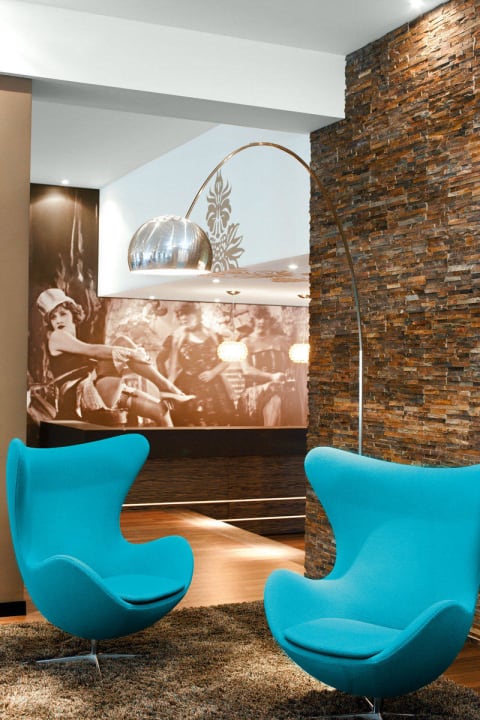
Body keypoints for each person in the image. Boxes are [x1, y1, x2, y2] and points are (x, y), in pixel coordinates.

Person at [35, 288, 192, 426]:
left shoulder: (74, 341)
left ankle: (172, 447)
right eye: (53, 317)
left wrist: (130, 358)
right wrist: (131, 353)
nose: (58, 320)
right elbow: (93, 350)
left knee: (160, 411)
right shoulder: (57, 336)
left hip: (101, 390)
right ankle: (166, 387)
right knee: (122, 342)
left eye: (63, 313)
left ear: (73, 314)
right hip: (80, 396)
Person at [156, 302, 235, 426]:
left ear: (198, 315)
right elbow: (162, 361)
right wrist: (166, 384)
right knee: (188, 422)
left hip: (213, 386)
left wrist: (213, 372)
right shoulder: (176, 337)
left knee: (217, 422)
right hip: (186, 386)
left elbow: (229, 358)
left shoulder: (214, 335)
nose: (183, 318)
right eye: (180, 315)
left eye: (187, 314)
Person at [237, 306, 291, 426]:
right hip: (255, 389)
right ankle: (269, 432)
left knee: (280, 393)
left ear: (270, 320)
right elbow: (246, 369)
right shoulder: (245, 342)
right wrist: (271, 377)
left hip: (281, 386)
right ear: (253, 320)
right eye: (258, 318)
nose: (262, 321)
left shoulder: (281, 340)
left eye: (265, 318)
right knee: (274, 395)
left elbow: (292, 363)